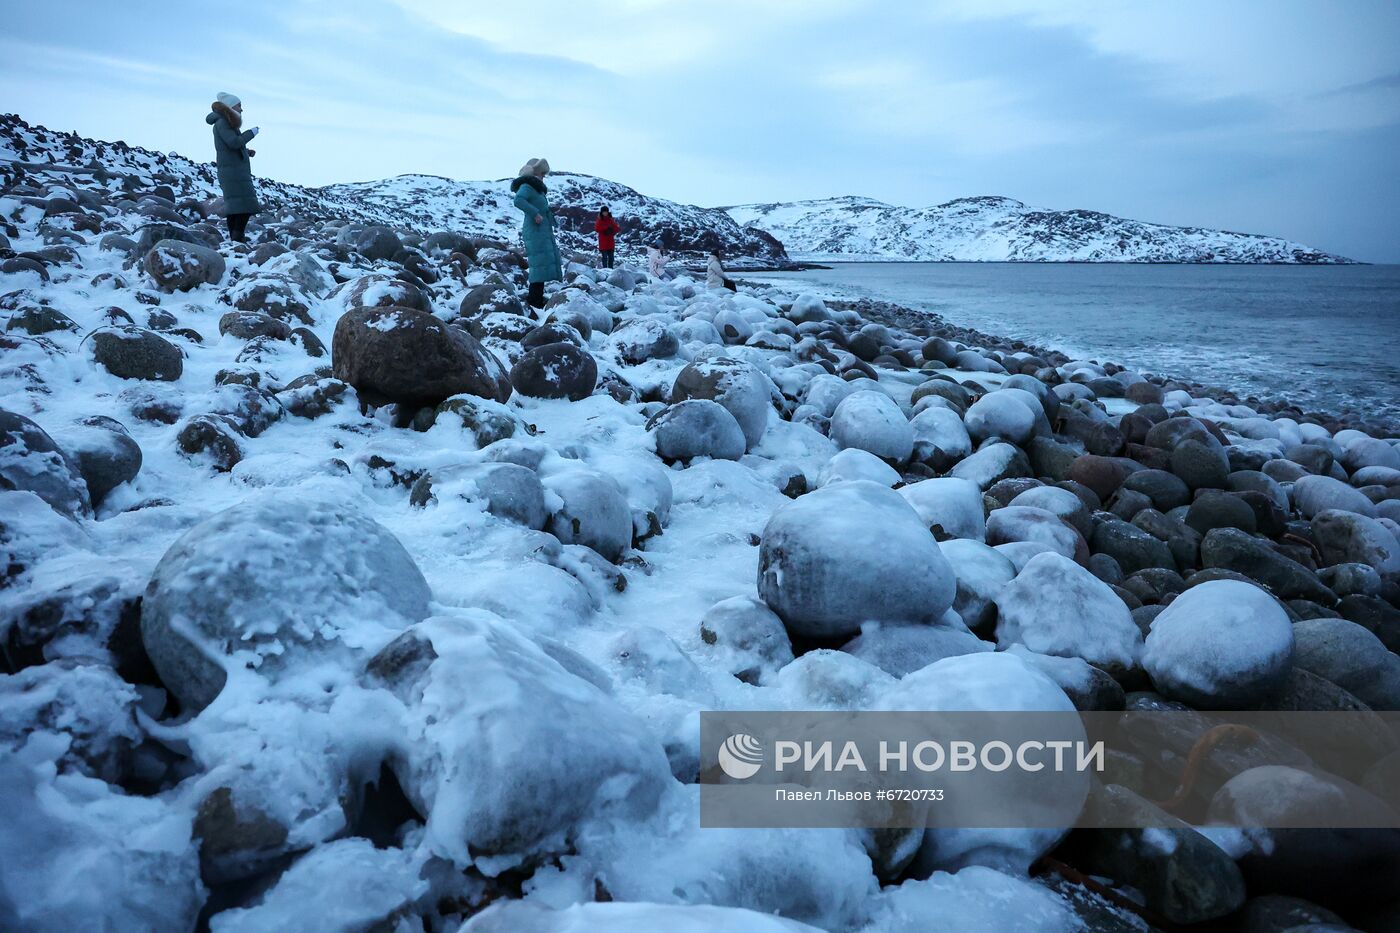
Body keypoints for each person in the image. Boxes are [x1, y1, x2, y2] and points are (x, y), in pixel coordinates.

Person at [206, 92, 261, 243]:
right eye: (239, 106)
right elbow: (234, 142)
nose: (241, 110)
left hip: (233, 170)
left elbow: (231, 145)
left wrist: (246, 151)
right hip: (233, 172)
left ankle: (236, 238)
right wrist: (251, 133)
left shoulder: (225, 122)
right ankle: (237, 237)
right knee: (245, 206)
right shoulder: (223, 123)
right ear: (230, 107)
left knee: (236, 206)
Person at [510, 158, 562, 309]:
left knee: (542, 262)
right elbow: (518, 200)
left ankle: (536, 297)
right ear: (534, 173)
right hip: (535, 230)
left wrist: (552, 220)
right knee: (538, 264)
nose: (543, 177)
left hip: (542, 231)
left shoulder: (536, 189)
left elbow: (542, 209)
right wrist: (535, 214)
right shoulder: (527, 186)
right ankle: (534, 300)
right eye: (541, 174)